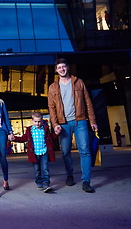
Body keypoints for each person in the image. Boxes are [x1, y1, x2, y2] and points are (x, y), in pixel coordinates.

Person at [48, 58, 98, 193]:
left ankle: (86, 181)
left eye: (64, 66)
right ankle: (69, 174)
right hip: (63, 124)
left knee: (85, 150)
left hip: (80, 121)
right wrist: (55, 124)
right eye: (59, 67)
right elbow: (51, 108)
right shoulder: (53, 87)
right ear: (56, 70)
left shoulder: (78, 82)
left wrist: (92, 121)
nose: (62, 69)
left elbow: (88, 102)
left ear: (68, 67)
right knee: (65, 152)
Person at [13, 112, 56, 193]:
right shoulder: (30, 130)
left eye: (39, 121)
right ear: (32, 121)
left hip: (44, 152)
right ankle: (39, 182)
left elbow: (51, 138)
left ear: (42, 121)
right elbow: (23, 138)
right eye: (35, 121)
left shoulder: (45, 129)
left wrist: (56, 133)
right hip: (34, 154)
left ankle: (46, 183)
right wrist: (13, 138)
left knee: (45, 169)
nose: (37, 123)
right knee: (37, 169)